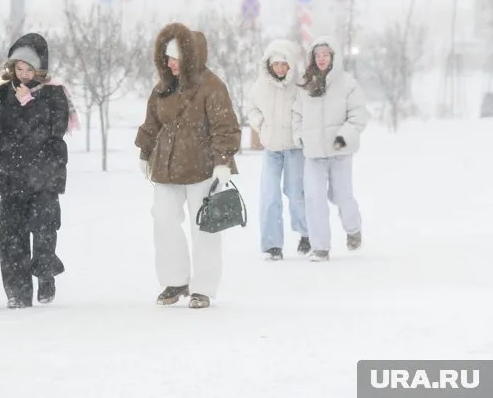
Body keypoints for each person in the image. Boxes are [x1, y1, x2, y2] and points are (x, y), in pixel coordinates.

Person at [135, 22, 241, 309]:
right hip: (166, 168)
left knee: (205, 227)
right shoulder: (163, 87)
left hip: (203, 169)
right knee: (164, 222)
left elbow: (225, 127)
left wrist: (223, 162)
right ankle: (175, 280)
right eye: (166, 58)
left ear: (189, 57)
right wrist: (145, 152)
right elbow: (152, 122)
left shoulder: (212, 86)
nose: (169, 64)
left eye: (174, 58)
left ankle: (203, 287)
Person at [0, 33, 78, 309]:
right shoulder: (3, 93)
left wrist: (28, 102)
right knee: (11, 237)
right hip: (11, 176)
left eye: (29, 69)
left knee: (44, 231)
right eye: (19, 68)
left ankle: (45, 274)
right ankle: (17, 291)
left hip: (45, 176)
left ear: (40, 68)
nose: (24, 74)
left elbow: (53, 129)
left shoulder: (54, 93)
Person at [292, 37, 369, 262]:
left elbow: (358, 115)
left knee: (342, 196)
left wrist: (343, 137)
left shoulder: (347, 83)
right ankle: (320, 248)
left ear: (333, 57)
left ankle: (353, 229)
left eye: (326, 54)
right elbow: (297, 114)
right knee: (314, 199)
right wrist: (299, 136)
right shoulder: (306, 84)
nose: (322, 58)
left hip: (339, 152)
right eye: (318, 55)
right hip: (313, 154)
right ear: (312, 58)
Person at [246, 39, 309, 260]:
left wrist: (301, 131)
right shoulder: (261, 86)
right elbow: (251, 108)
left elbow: (309, 109)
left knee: (296, 193)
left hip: (294, 148)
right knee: (270, 195)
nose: (280, 69)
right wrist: (261, 124)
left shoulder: (300, 84)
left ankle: (306, 234)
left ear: (290, 64)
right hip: (272, 149)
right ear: (269, 65)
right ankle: (273, 244)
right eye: (276, 64)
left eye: (284, 64)